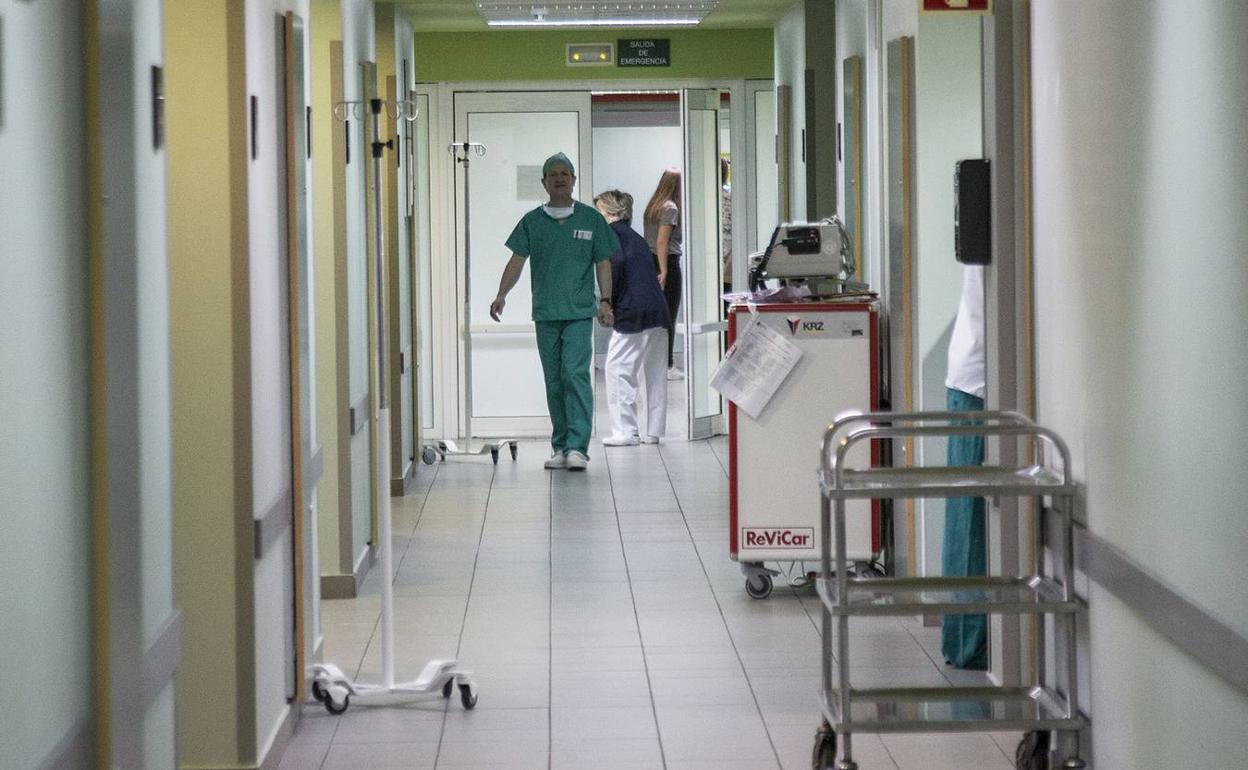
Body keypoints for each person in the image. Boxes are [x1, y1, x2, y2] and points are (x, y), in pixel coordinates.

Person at [489, 152, 618, 471]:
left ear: (573, 180)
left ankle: (578, 447)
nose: (560, 178)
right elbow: (517, 261)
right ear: (544, 182)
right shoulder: (533, 222)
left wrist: (605, 301)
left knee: (575, 374)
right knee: (554, 379)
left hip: (577, 311)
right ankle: (560, 446)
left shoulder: (591, 219)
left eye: (565, 173)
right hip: (546, 312)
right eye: (553, 174)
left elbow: (603, 261)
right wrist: (501, 295)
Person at [593, 190, 670, 447]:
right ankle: (653, 431)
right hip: (658, 311)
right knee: (654, 373)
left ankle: (625, 431)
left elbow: (614, 269)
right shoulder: (635, 237)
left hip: (632, 310)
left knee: (617, 369)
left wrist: (607, 303)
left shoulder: (611, 236)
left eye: (599, 211)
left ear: (611, 213)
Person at [941, 264, 987, 669]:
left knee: (965, 518)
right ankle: (969, 643)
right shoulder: (999, 224)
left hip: (971, 379)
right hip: (979, 384)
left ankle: (963, 638)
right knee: (970, 519)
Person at [642, 168, 683, 378]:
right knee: (669, 315)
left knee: (656, 316)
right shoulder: (671, 208)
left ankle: (654, 361)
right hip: (665, 261)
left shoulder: (653, 206)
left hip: (650, 262)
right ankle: (667, 364)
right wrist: (665, 270)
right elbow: (662, 241)